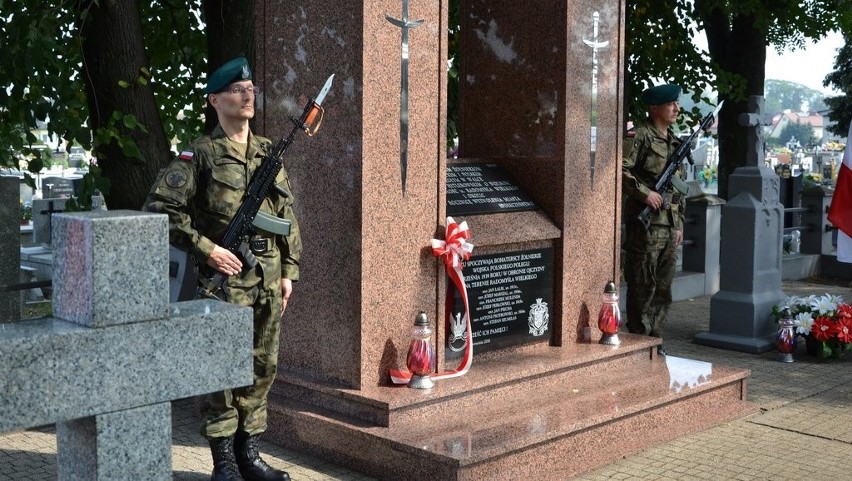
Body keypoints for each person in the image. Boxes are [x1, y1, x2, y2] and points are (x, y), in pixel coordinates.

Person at [144, 56, 301, 481]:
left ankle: (249, 456)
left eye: (250, 87)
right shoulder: (201, 155)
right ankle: (224, 463)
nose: (247, 93)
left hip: (267, 279)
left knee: (262, 367)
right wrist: (207, 249)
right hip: (225, 283)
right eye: (236, 88)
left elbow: (286, 216)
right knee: (220, 370)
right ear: (215, 99)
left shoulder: (268, 151)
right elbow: (162, 209)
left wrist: (289, 271)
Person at [621, 83, 686, 356]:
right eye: (671, 104)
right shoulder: (639, 135)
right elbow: (619, 169)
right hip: (645, 226)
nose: (676, 108)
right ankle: (639, 343)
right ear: (654, 108)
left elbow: (678, 189)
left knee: (663, 290)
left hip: (668, 228)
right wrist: (644, 193)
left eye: (676, 104)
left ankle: (656, 343)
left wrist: (679, 224)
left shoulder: (674, 141)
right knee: (642, 286)